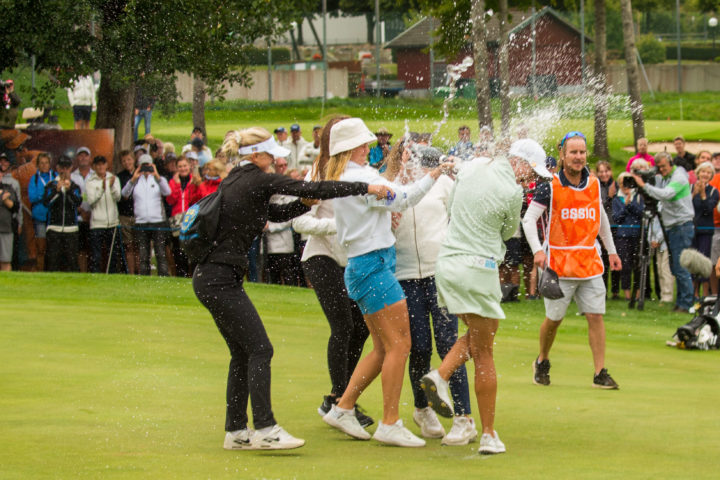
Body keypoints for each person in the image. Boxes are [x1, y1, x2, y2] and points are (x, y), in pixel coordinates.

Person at [193, 126, 391, 451]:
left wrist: (302, 203)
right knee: (260, 350)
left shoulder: (237, 179)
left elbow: (275, 212)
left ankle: (236, 431)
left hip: (214, 277)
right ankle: (267, 428)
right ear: (256, 156)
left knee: (242, 352)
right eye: (271, 155)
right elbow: (320, 187)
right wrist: (367, 186)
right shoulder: (257, 178)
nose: (275, 162)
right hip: (219, 279)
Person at [320, 117, 454, 448]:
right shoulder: (360, 177)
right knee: (399, 346)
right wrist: (434, 174)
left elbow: (391, 190)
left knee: (383, 348)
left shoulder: (346, 176)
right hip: (374, 265)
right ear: (350, 149)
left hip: (365, 265)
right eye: (362, 144)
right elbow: (404, 198)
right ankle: (390, 422)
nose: (369, 147)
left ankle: (343, 407)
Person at [421, 139, 549, 455]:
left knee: (481, 335)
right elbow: (507, 232)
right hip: (478, 268)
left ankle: (441, 376)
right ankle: (487, 432)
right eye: (530, 172)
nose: (530, 180)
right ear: (519, 162)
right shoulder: (513, 191)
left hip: (448, 265)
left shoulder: (473, 165)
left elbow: (452, 209)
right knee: (484, 350)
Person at [384, 140, 475, 445]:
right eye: (405, 156)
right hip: (406, 276)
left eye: (416, 156)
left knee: (449, 343)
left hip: (440, 274)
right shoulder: (387, 187)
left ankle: (464, 417)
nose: (412, 161)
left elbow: (461, 215)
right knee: (419, 346)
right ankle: (422, 408)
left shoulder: (442, 184)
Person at [523, 131, 622, 390]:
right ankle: (542, 359)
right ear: (563, 155)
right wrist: (537, 250)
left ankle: (600, 372)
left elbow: (601, 221)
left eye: (582, 152)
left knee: (596, 316)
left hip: (589, 263)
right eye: (573, 152)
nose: (578, 157)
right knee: (554, 320)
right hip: (559, 266)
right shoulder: (550, 186)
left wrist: (611, 251)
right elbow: (528, 220)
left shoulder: (593, 184)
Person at [291, 116, 373, 428]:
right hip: (321, 256)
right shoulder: (319, 173)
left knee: (361, 328)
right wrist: (338, 227)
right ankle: (341, 401)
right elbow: (300, 222)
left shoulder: (362, 174)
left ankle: (339, 398)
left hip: (350, 260)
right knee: (343, 325)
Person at [631, 152, 695, 313]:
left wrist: (644, 185)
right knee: (676, 267)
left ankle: (686, 303)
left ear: (671, 163)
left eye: (664, 167)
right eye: (658, 167)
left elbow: (666, 194)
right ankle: (682, 302)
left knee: (681, 267)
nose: (661, 170)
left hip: (682, 226)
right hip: (673, 226)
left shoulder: (679, 176)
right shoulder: (664, 176)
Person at [121, 154, 171, 276]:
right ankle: (144, 276)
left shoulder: (159, 179)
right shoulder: (135, 180)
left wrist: (157, 175)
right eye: (143, 166)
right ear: (138, 166)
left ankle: (163, 276)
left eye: (148, 165)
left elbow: (167, 191)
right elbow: (125, 193)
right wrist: (133, 178)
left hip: (158, 221)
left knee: (160, 252)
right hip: (141, 222)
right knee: (143, 253)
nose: (146, 169)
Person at [43, 156, 82, 272]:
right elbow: (46, 202)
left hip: (71, 229)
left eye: (67, 167)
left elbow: (78, 202)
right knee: (52, 262)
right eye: (61, 167)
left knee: (72, 262)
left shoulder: (75, 186)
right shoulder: (50, 185)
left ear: (71, 168)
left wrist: (69, 191)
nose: (64, 170)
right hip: (54, 228)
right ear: (57, 168)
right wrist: (57, 191)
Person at [86, 155, 122, 273]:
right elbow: (91, 201)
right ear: (94, 167)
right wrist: (102, 189)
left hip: (112, 223)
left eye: (103, 164)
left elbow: (118, 197)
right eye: (98, 165)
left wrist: (111, 187)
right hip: (97, 224)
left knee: (112, 255)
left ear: (106, 165)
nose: (101, 167)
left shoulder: (113, 178)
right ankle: (96, 276)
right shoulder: (90, 181)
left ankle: (111, 276)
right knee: (96, 255)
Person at [166, 156, 200, 277]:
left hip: (191, 218)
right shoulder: (173, 182)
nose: (183, 168)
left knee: (192, 248)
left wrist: (195, 185)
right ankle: (181, 274)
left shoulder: (195, 180)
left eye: (185, 166)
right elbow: (170, 200)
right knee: (178, 249)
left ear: (189, 166)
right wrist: (176, 185)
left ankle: (194, 275)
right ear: (177, 168)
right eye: (180, 166)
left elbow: (197, 199)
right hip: (177, 219)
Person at [612, 172, 644, 300]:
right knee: (625, 264)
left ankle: (637, 293)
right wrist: (625, 205)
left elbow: (640, 213)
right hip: (623, 236)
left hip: (637, 235)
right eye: (622, 183)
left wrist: (630, 202)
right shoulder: (616, 199)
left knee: (638, 265)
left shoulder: (638, 197)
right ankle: (626, 293)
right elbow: (617, 217)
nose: (625, 186)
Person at [691, 161, 718, 298]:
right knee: (693, 262)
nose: (705, 174)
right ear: (698, 173)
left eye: (708, 172)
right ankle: (694, 294)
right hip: (692, 229)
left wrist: (702, 195)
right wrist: (693, 194)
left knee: (704, 261)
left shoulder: (714, 191)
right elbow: (686, 208)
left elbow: (708, 209)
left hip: (706, 230)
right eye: (703, 171)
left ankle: (706, 294)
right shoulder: (690, 188)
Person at [28, 153, 57, 271]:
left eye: (46, 162)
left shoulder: (55, 176)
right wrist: (46, 194)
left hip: (54, 216)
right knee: (41, 247)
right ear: (38, 165)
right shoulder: (34, 179)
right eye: (42, 163)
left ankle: (52, 271)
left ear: (50, 164)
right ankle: (40, 270)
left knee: (53, 247)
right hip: (40, 217)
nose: (44, 165)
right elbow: (32, 197)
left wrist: (46, 195)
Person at [596, 161, 620, 298]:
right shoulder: (596, 186)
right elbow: (599, 208)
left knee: (614, 257)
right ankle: (603, 290)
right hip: (601, 228)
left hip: (615, 227)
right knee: (603, 260)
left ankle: (616, 291)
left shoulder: (616, 185)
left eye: (606, 171)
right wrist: (609, 197)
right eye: (601, 171)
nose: (604, 174)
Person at [71, 146, 93, 272]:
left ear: (90, 158)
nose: (83, 158)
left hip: (93, 218)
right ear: (77, 158)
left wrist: (90, 212)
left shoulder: (95, 175)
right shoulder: (72, 176)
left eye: (86, 155)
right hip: (78, 217)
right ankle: (82, 272)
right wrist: (81, 211)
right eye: (81, 155)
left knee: (92, 248)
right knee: (80, 249)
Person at [116, 150, 139, 274]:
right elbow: (123, 196)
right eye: (124, 161)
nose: (127, 162)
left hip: (139, 215)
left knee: (138, 246)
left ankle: (140, 272)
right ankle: (131, 273)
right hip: (125, 215)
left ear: (133, 159)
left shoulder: (141, 173)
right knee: (129, 246)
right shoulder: (120, 177)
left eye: (129, 159)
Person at [0, 168, 18, 271]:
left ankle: (6, 286)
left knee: (5, 261)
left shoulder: (9, 188)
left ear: (2, 174)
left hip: (6, 229)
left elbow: (15, 207)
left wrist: (6, 200)